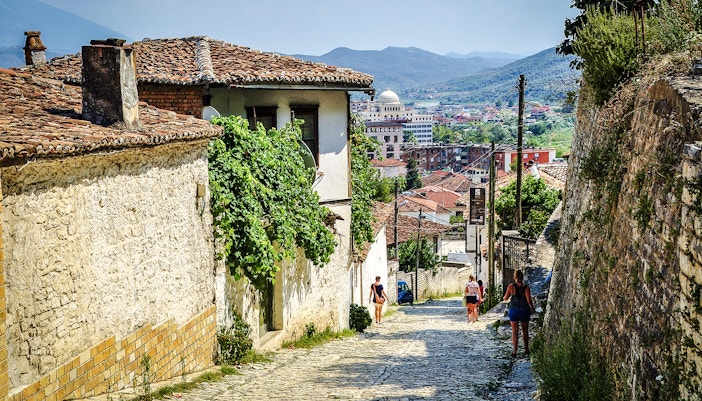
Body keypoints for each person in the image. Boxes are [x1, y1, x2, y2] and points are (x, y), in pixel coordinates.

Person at [503, 269, 536, 357]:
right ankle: (526, 349)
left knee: (514, 331)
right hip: (524, 311)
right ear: (522, 277)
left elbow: (505, 298)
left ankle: (514, 351)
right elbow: (529, 300)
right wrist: (532, 308)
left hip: (513, 310)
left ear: (515, 277)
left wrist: (507, 296)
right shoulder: (526, 288)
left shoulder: (511, 286)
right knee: (525, 331)